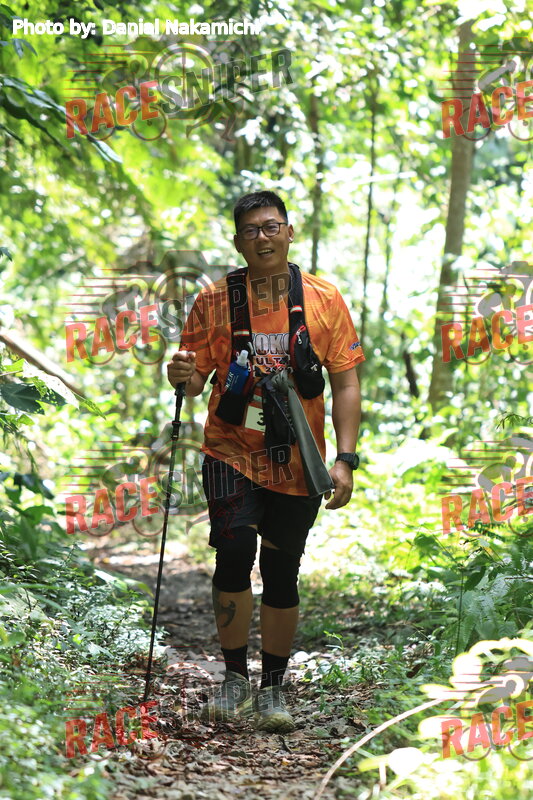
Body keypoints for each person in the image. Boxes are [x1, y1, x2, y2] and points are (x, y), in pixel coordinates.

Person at [167, 190, 364, 733]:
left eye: (272, 226)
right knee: (233, 555)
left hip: (300, 459)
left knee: (282, 570)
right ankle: (234, 679)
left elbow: (346, 383)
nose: (263, 236)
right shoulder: (213, 301)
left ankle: (273, 688)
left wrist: (345, 459)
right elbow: (194, 378)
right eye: (251, 229)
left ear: (289, 232)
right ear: (238, 241)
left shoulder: (323, 299)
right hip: (229, 452)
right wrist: (180, 374)